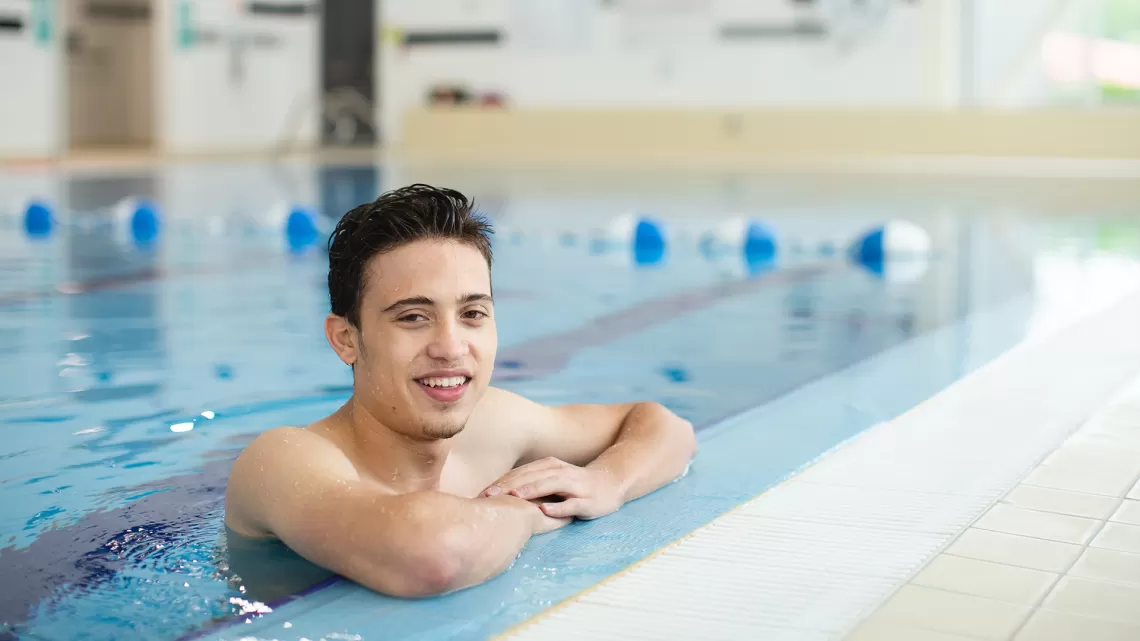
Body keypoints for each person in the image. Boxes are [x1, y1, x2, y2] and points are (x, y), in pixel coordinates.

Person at [224, 184, 697, 599]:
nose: (451, 347)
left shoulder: (493, 424)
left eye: (472, 314)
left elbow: (664, 426)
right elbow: (430, 555)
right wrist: (525, 512)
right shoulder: (284, 460)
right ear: (346, 339)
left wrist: (606, 482)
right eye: (413, 317)